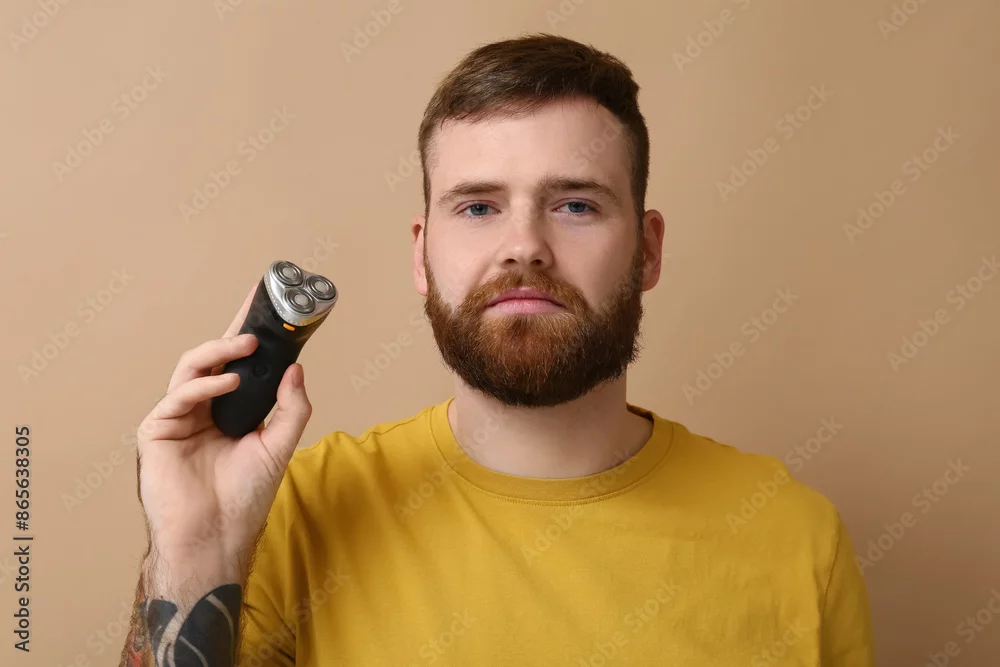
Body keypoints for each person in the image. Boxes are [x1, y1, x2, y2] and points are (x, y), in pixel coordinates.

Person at [120, 32, 876, 667]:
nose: (524, 246)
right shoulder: (300, 513)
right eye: (479, 207)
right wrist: (195, 551)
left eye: (575, 204)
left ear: (647, 250)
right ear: (422, 255)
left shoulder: (793, 539)